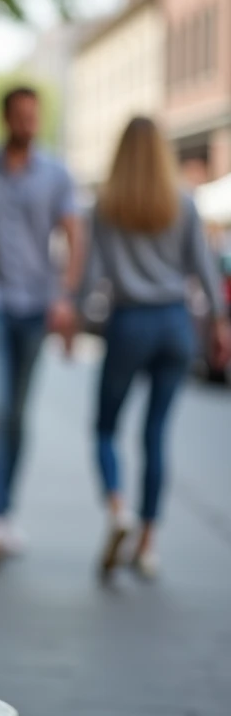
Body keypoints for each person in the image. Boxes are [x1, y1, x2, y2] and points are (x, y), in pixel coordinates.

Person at [76, 116, 231, 582]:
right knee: (155, 434)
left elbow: (90, 277)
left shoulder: (106, 206)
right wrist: (221, 324)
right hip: (174, 323)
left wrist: (74, 320)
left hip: (128, 322)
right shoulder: (181, 202)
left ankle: (118, 509)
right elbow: (204, 269)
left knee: (105, 427)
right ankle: (147, 543)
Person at [0, 86, 84, 565]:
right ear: (4, 119)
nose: (28, 124)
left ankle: (7, 509)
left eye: (33, 116)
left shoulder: (57, 174)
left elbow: (73, 234)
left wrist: (66, 296)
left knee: (19, 415)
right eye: (20, 116)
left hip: (35, 305)